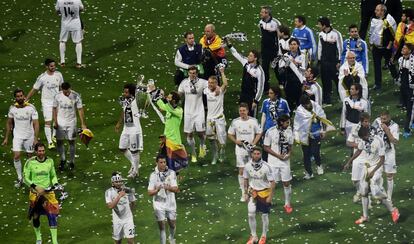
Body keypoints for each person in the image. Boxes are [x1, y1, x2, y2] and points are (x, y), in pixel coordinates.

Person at [345, 126, 400, 225]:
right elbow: (359, 150)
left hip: (377, 168)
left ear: (367, 135)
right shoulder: (363, 139)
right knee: (364, 191)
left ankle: (393, 210)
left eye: (363, 138)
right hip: (367, 167)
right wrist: (349, 162)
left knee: (376, 192)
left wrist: (374, 171)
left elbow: (382, 159)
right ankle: (365, 216)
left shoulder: (378, 141)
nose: (362, 140)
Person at [23, 142, 62, 244]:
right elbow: (25, 178)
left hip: (48, 193)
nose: (41, 153)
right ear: (36, 151)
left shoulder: (50, 161)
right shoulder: (30, 162)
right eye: (39, 151)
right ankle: (38, 238)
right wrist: (35, 187)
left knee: (52, 215)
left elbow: (53, 175)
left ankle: (55, 241)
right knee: (35, 216)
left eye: (43, 150)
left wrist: (56, 183)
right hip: (35, 194)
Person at [2, 89, 39, 188]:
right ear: (15, 98)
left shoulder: (31, 108)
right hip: (17, 136)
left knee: (30, 157)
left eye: (21, 96)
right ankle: (20, 178)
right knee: (17, 156)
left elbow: (36, 123)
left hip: (29, 136)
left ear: (24, 96)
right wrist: (6, 138)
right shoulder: (12, 108)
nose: (19, 98)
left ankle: (31, 177)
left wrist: (35, 138)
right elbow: (9, 122)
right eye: (17, 96)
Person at [25, 58, 64, 149]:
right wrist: (27, 99)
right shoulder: (42, 77)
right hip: (46, 102)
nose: (53, 67)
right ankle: (50, 142)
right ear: (46, 66)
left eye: (54, 66)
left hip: (57, 101)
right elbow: (35, 88)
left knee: (57, 120)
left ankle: (54, 136)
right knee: (48, 122)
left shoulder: (59, 75)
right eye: (51, 66)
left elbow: (61, 87)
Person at [228, 103, 262, 202]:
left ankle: (253, 191)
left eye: (244, 110)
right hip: (240, 150)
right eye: (240, 111)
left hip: (251, 150)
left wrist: (254, 143)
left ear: (247, 111)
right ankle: (244, 192)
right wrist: (236, 141)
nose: (242, 112)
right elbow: (230, 134)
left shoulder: (254, 121)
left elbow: (259, 133)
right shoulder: (235, 122)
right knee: (242, 171)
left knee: (252, 170)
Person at [243, 147, 275, 244]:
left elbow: (273, 183)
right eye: (255, 153)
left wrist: (270, 196)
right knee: (251, 214)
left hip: (264, 193)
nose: (256, 155)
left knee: (264, 215)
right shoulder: (247, 166)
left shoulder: (266, 166)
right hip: (253, 192)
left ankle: (263, 236)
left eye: (258, 154)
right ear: (251, 154)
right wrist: (245, 193)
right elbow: (245, 179)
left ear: (261, 154)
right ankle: (254, 236)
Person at [294, 95, 330, 179]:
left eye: (307, 104)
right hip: (305, 135)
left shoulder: (316, 107)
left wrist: (324, 131)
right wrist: (296, 135)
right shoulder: (299, 111)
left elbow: (323, 118)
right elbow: (297, 124)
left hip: (316, 133)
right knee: (306, 154)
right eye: (304, 105)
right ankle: (309, 173)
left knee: (315, 151)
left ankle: (319, 165)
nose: (307, 106)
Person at [263, 115, 293, 214]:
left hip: (285, 162)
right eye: (287, 122)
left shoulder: (289, 131)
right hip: (273, 162)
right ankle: (268, 202)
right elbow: (266, 147)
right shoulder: (270, 132)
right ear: (281, 123)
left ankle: (287, 204)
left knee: (286, 182)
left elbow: (290, 146)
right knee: (272, 183)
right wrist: (277, 155)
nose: (288, 124)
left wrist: (288, 155)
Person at [53, 82, 87, 170]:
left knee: (71, 142)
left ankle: (71, 162)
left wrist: (83, 124)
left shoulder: (76, 96)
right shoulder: (57, 96)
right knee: (59, 142)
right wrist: (55, 121)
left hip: (72, 122)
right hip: (60, 122)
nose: (67, 93)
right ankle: (63, 159)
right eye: (65, 92)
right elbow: (54, 108)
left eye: (68, 91)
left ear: (70, 88)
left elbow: (80, 109)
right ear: (62, 89)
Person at [177, 66, 208, 163]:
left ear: (197, 73)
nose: (192, 75)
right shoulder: (184, 83)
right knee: (189, 134)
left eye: (194, 73)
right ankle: (193, 153)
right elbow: (179, 94)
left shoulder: (203, 82)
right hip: (188, 112)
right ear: (188, 73)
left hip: (199, 111)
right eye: (190, 73)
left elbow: (211, 87)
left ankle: (202, 146)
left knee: (200, 133)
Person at [227, 41, 265, 117]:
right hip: (243, 93)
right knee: (242, 113)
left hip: (252, 96)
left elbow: (260, 88)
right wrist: (229, 45)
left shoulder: (259, 71)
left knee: (251, 117)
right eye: (249, 55)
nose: (248, 57)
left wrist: (256, 101)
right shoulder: (246, 63)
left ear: (255, 58)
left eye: (251, 56)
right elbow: (236, 54)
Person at [148, 155, 179, 244]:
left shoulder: (171, 173)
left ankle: (172, 237)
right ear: (156, 163)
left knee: (172, 224)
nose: (163, 164)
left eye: (164, 162)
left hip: (170, 202)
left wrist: (168, 187)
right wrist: (157, 190)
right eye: (161, 162)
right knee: (162, 226)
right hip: (158, 203)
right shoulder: (153, 175)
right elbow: (149, 193)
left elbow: (176, 189)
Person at [115, 83, 143, 178]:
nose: (124, 93)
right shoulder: (125, 101)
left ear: (131, 93)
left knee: (135, 151)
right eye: (124, 92)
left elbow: (144, 95)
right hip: (126, 128)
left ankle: (136, 171)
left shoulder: (137, 101)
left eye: (126, 92)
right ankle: (134, 164)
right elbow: (124, 111)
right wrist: (119, 123)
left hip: (135, 129)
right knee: (122, 148)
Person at [344, 112, 373, 203]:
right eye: (365, 121)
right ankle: (359, 192)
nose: (367, 123)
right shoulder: (355, 129)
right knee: (355, 180)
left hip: (368, 157)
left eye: (368, 121)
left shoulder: (372, 130)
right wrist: (360, 145)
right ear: (361, 121)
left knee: (367, 180)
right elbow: (348, 143)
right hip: (357, 157)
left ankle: (366, 196)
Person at [156, 91, 188, 173]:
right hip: (166, 141)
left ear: (173, 101)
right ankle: (164, 182)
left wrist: (163, 98)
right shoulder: (168, 109)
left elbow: (169, 108)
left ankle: (174, 183)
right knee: (162, 163)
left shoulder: (179, 111)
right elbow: (162, 105)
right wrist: (154, 94)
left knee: (174, 167)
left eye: (169, 97)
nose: (167, 98)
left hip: (174, 142)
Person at [372, 111, 399, 202]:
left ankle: (389, 197)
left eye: (385, 119)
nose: (382, 121)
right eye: (381, 118)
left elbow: (395, 141)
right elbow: (371, 133)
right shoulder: (376, 121)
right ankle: (381, 195)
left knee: (389, 175)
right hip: (378, 153)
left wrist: (387, 130)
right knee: (377, 176)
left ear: (389, 117)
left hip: (389, 153)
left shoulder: (394, 126)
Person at [369, 4, 397, 90]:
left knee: (390, 64)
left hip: (386, 48)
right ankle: (378, 84)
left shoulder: (388, 20)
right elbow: (371, 32)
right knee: (377, 66)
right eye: (376, 10)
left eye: (377, 10)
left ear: (382, 11)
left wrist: (390, 44)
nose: (375, 11)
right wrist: (371, 43)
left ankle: (396, 77)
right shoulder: (374, 19)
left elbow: (394, 34)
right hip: (376, 48)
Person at [204, 67, 228, 164]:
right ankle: (215, 155)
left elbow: (225, 84)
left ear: (216, 84)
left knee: (222, 139)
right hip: (210, 119)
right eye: (209, 82)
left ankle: (222, 151)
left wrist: (222, 72)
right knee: (211, 139)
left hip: (219, 119)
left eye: (212, 83)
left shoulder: (220, 91)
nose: (210, 84)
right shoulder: (206, 90)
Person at [317, 17, 343, 105]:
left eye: (319, 24)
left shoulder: (336, 34)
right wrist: (319, 60)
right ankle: (327, 100)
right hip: (324, 61)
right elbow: (320, 47)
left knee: (337, 79)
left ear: (324, 25)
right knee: (325, 80)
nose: (318, 26)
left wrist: (339, 61)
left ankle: (342, 96)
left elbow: (340, 48)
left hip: (334, 61)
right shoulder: (320, 34)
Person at [105, 172, 136, 244]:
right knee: (118, 242)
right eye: (116, 182)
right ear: (112, 183)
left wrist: (129, 213)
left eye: (120, 181)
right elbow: (110, 206)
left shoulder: (128, 190)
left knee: (130, 241)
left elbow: (133, 202)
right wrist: (119, 196)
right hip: (117, 220)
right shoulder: (108, 192)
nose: (118, 183)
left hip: (128, 219)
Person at [278, 38, 306, 110]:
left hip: (299, 82)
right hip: (289, 82)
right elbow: (280, 70)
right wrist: (285, 66)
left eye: (294, 44)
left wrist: (295, 64)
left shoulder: (303, 56)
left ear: (298, 45)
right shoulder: (285, 56)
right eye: (290, 44)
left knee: (299, 102)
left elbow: (304, 70)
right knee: (289, 102)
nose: (292, 46)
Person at [55, 0, 84, 68]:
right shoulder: (77, 0)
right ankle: (79, 63)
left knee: (62, 41)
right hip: (76, 24)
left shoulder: (60, 1)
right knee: (78, 42)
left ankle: (62, 62)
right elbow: (82, 9)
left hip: (65, 24)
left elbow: (57, 11)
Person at [259, 5, 281, 92]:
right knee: (264, 68)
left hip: (274, 49)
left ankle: (281, 82)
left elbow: (280, 36)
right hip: (264, 49)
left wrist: (279, 50)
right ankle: (266, 87)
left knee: (276, 67)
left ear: (267, 13)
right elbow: (262, 34)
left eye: (262, 12)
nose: (260, 13)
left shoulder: (276, 23)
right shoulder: (260, 22)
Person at [398, 44, 414, 138]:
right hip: (403, 87)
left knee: (410, 109)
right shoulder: (400, 60)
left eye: (405, 48)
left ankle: (407, 129)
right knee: (407, 106)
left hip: (411, 88)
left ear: (410, 50)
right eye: (403, 47)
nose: (403, 49)